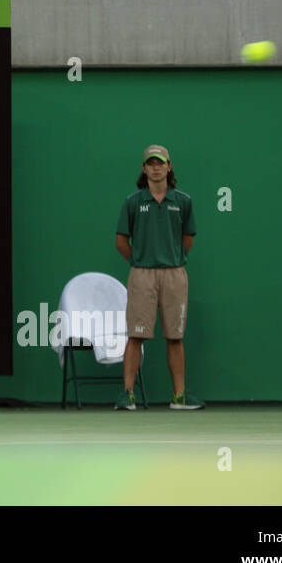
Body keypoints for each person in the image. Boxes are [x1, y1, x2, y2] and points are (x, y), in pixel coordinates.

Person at [114, 145, 203, 411]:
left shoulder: (183, 201)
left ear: (169, 166)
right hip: (142, 274)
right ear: (144, 169)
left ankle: (179, 397)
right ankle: (127, 395)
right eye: (150, 163)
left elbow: (188, 239)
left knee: (175, 336)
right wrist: (139, 261)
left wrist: (173, 259)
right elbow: (121, 241)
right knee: (135, 335)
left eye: (160, 163)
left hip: (175, 274)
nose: (156, 167)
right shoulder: (132, 202)